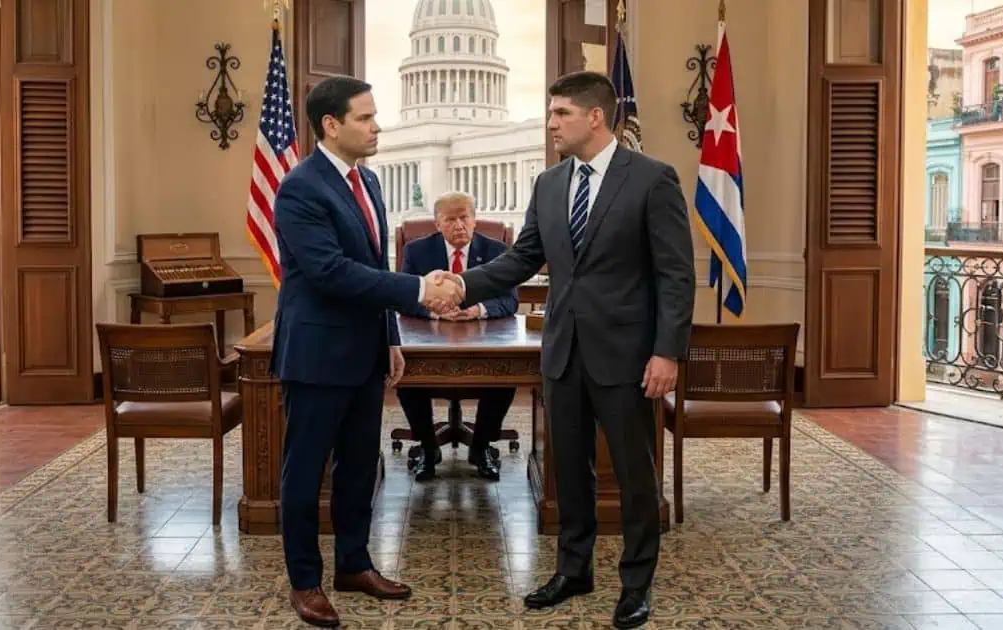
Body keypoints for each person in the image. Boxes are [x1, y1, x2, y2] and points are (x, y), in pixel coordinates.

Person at [431, 71, 694, 629]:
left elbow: (676, 275)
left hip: (627, 357)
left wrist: (667, 352)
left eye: (560, 114)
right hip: (563, 353)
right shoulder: (549, 184)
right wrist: (462, 285)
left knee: (634, 475)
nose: (550, 124)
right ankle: (574, 571)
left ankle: (636, 584)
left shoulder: (652, 179)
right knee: (569, 472)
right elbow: (521, 258)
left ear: (594, 116)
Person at [270, 75, 462, 628]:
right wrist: (420, 289)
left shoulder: (369, 181)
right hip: (317, 355)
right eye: (365, 117)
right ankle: (305, 581)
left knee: (359, 467)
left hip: (365, 352)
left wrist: (391, 338)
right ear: (331, 125)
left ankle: (354, 564)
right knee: (306, 472)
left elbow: (375, 268)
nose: (377, 126)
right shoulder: (301, 188)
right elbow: (330, 272)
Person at [396, 191, 518, 482]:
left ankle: (481, 447)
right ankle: (428, 448)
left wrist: (478, 310)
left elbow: (510, 300)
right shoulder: (416, 251)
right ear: (437, 224)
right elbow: (404, 299)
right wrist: (436, 312)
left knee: (506, 373)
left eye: (465, 217)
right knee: (406, 374)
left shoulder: (497, 251)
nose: (459, 225)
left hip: (483, 340)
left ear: (475, 220)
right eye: (450, 219)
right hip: (430, 340)